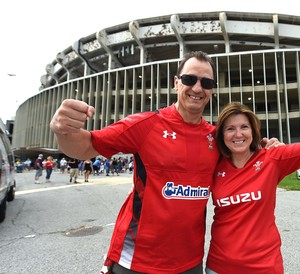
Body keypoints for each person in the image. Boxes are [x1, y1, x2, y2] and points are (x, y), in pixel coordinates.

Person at [50, 51, 281, 274]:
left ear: (212, 89)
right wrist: (64, 130)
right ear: (176, 82)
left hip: (189, 263)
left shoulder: (215, 138)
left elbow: (243, 155)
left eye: (206, 82)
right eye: (190, 79)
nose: (197, 88)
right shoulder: (145, 125)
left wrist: (267, 148)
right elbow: (85, 147)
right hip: (137, 261)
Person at [205, 87, 300, 274]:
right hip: (219, 267)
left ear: (253, 131)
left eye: (244, 127)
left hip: (263, 267)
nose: (238, 134)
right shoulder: (213, 165)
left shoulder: (271, 159)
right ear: (222, 135)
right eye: (230, 128)